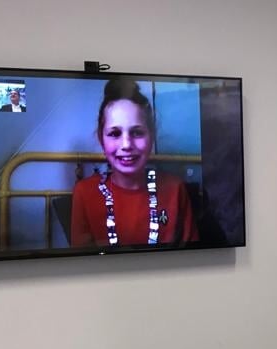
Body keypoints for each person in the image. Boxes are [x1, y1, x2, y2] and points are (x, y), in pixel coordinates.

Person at [70, 79, 199, 247]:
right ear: (102, 140)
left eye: (137, 133)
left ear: (151, 137)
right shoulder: (84, 192)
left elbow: (192, 256)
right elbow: (83, 264)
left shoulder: (175, 189)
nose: (126, 145)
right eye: (115, 133)